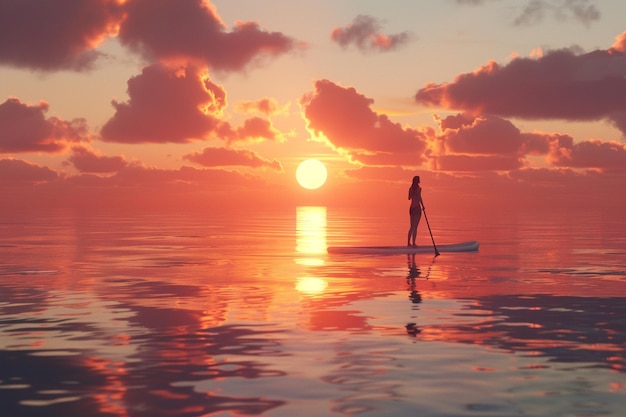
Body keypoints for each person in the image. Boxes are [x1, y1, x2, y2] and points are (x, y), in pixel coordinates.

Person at [407, 175, 422, 247]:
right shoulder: (419, 189)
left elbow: (409, 198)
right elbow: (419, 198)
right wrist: (423, 206)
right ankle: (413, 243)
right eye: (419, 179)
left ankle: (408, 243)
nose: (420, 180)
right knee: (415, 227)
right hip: (417, 208)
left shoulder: (410, 188)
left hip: (411, 208)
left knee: (411, 226)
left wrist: (413, 193)